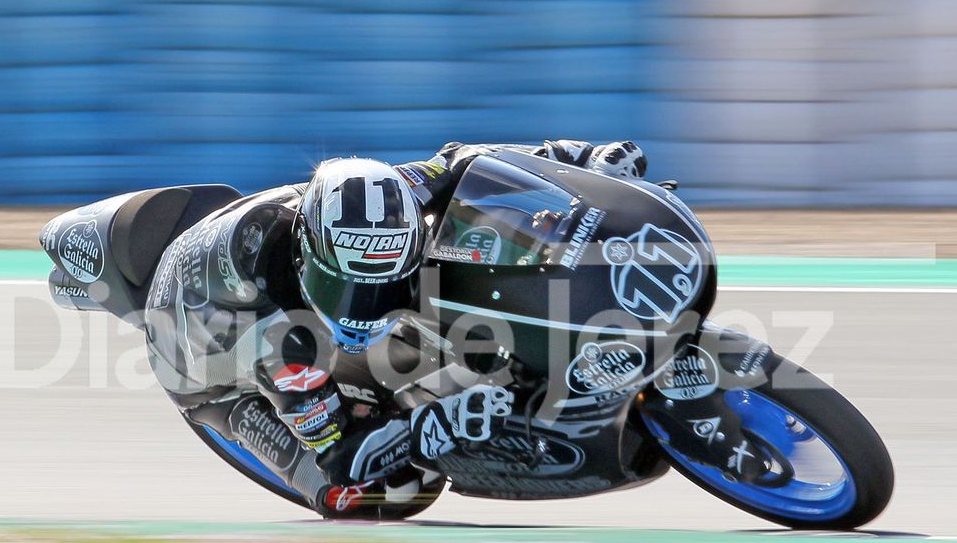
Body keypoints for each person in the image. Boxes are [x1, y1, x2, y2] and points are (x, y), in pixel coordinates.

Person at [143, 139, 650, 518]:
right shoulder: (282, 342)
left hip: (247, 252)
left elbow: (470, 160)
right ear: (309, 260)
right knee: (368, 495)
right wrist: (439, 424)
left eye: (383, 280)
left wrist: (582, 157)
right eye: (350, 287)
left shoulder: (397, 195)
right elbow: (342, 457)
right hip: (206, 372)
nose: (367, 305)